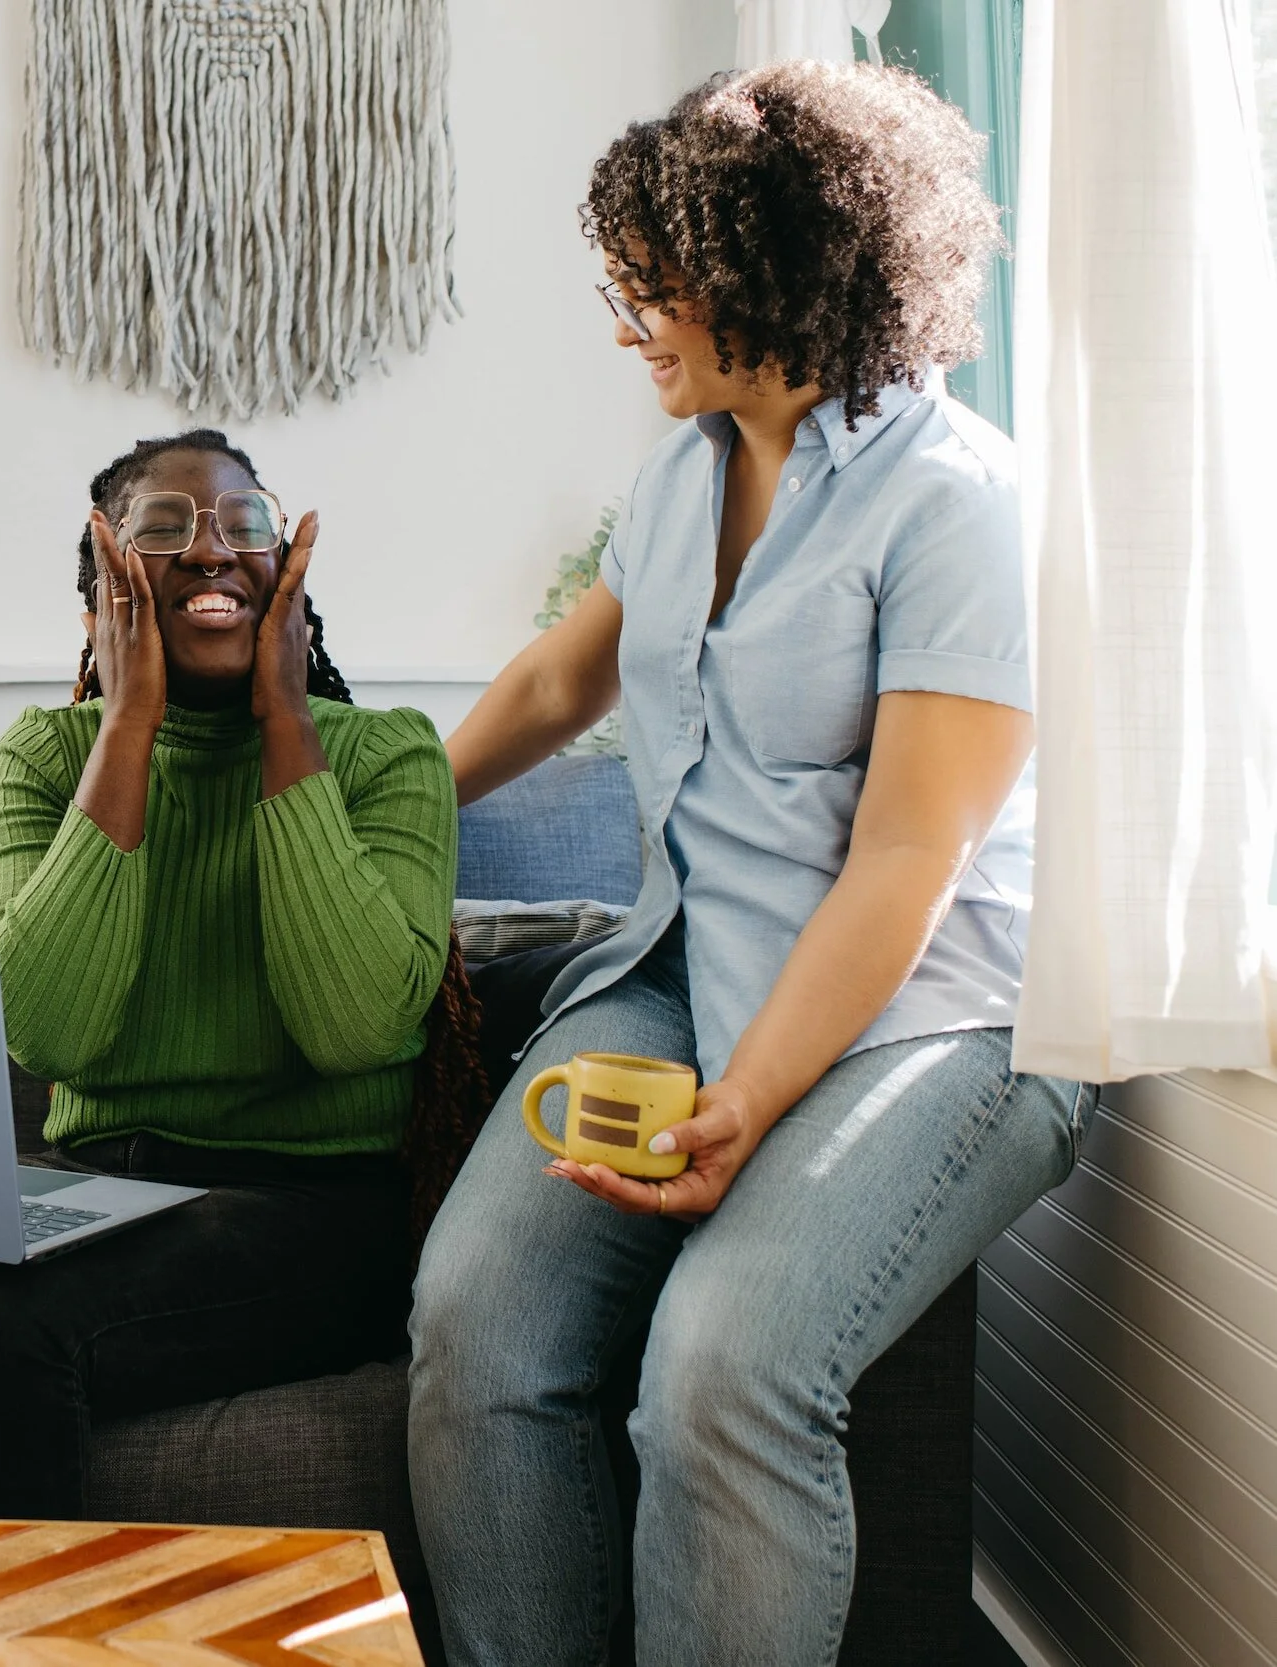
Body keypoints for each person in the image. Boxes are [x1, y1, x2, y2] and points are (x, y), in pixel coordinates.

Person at [406, 61, 1094, 1666]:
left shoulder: (959, 505)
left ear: (775, 266)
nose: (628, 309)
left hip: (937, 1017)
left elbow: (913, 855)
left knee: (720, 1369)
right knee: (471, 1324)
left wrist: (751, 1099)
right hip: (681, 964)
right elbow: (558, 683)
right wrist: (381, 829)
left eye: (659, 271)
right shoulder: (682, 472)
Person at [0, 429, 488, 1517]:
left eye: (244, 525)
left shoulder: (387, 755)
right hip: (98, 1181)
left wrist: (285, 721)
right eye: (164, 530)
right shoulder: (45, 755)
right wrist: (128, 722)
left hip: (313, 1205)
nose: (212, 551)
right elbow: (49, 1030)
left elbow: (356, 1024)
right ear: (101, 607)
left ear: (290, 583)